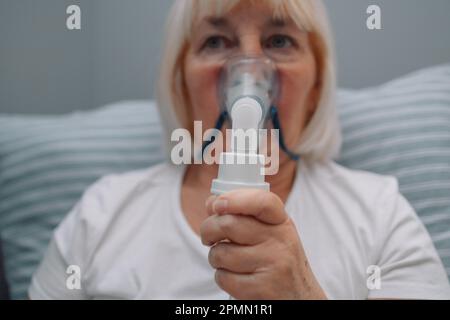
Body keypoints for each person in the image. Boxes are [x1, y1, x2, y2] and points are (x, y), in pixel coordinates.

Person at [29, 0, 449, 299]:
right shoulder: (101, 216)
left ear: (317, 83)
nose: (248, 68)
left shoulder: (379, 216)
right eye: (215, 42)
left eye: (280, 40)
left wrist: (300, 295)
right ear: (181, 79)